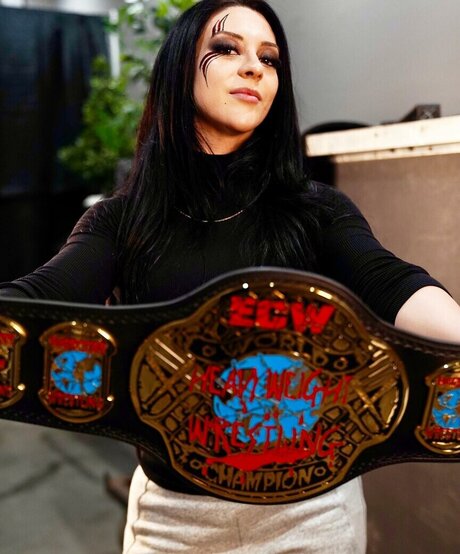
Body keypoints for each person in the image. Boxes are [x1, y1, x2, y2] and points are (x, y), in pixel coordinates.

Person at [2, 0, 460, 552]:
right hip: (172, 522)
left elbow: (393, 283)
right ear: (180, 68)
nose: (253, 69)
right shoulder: (119, 221)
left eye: (269, 59)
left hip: (314, 517)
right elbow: (38, 300)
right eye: (226, 49)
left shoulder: (318, 210)